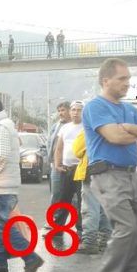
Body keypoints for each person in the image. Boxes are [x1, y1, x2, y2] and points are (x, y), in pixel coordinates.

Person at [82, 58, 137, 272]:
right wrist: (134, 131)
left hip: (131, 176)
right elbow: (114, 137)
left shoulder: (127, 110)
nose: (127, 83)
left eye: (128, 78)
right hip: (108, 176)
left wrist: (129, 128)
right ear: (106, 80)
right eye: (122, 79)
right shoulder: (95, 107)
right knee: (126, 229)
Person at [0, 94, 45, 272]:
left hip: (1, 186)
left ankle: (30, 258)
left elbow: (1, 155)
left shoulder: (2, 127)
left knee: (2, 225)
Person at [72, 129, 112, 255]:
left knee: (90, 208)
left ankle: (89, 242)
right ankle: (105, 240)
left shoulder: (89, 130)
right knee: (104, 208)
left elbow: (77, 150)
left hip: (93, 171)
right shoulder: (115, 128)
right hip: (110, 172)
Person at [50, 100, 84, 246]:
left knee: (82, 203)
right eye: (74, 110)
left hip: (81, 170)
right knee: (63, 201)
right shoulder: (65, 128)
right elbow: (59, 148)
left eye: (79, 110)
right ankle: (57, 230)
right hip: (66, 169)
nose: (76, 112)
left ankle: (81, 232)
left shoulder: (87, 128)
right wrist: (57, 164)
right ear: (70, 112)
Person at [44, 101, 72, 229]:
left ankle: (76, 224)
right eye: (59, 110)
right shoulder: (56, 126)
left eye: (63, 110)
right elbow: (51, 144)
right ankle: (53, 220)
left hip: (71, 165)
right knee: (56, 193)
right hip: (56, 165)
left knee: (73, 197)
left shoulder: (75, 126)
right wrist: (52, 161)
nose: (61, 113)